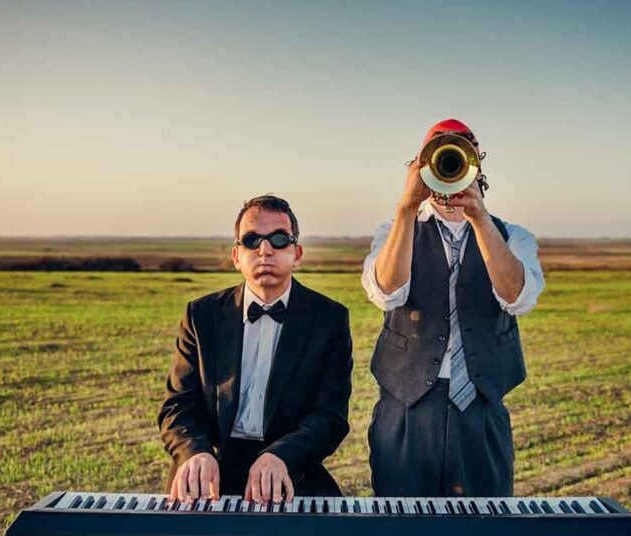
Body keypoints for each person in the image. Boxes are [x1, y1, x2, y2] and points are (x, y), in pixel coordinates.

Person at [362, 118, 545, 497]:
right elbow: (386, 291)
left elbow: (517, 298)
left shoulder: (513, 235)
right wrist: (406, 207)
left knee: (482, 530)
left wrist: (479, 218)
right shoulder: (393, 230)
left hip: (481, 407)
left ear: (477, 165)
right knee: (402, 530)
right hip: (406, 408)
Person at [159, 194, 353, 505]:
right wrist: (195, 452)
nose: (265, 250)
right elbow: (178, 405)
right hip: (211, 467)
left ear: (297, 253)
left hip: (289, 465)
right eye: (252, 240)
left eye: (278, 239)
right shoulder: (201, 315)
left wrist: (282, 456)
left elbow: (329, 416)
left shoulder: (329, 319)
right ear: (236, 255)